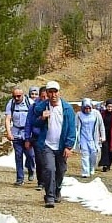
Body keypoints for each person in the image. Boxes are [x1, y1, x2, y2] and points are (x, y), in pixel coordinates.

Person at [30, 80, 76, 208]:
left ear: (59, 92)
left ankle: (57, 190)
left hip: (61, 146)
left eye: (55, 92)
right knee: (49, 169)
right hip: (47, 145)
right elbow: (34, 123)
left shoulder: (67, 109)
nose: (53, 95)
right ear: (47, 93)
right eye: (50, 92)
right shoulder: (41, 108)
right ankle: (49, 197)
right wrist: (42, 118)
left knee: (61, 171)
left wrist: (68, 146)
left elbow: (72, 129)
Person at [4, 86, 34, 186]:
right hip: (16, 132)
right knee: (18, 155)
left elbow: (34, 119)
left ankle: (31, 169)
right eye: (14, 96)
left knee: (30, 155)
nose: (16, 98)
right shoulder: (11, 103)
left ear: (23, 95)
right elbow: (8, 119)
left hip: (27, 133)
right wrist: (9, 133)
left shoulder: (30, 103)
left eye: (18, 96)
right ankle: (20, 179)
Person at [75, 98, 103, 178]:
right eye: (85, 108)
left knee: (94, 153)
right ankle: (85, 172)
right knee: (85, 154)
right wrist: (76, 138)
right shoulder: (79, 115)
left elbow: (101, 125)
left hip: (93, 138)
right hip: (83, 138)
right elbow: (75, 126)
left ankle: (92, 167)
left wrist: (102, 136)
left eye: (89, 108)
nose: (87, 110)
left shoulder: (96, 113)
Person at [24, 86, 44, 189]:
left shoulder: (54, 106)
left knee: (49, 161)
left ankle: (49, 181)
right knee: (39, 160)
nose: (45, 99)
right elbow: (28, 123)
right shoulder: (33, 107)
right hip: (37, 137)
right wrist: (27, 138)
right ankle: (41, 182)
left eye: (46, 96)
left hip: (50, 137)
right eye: (42, 96)